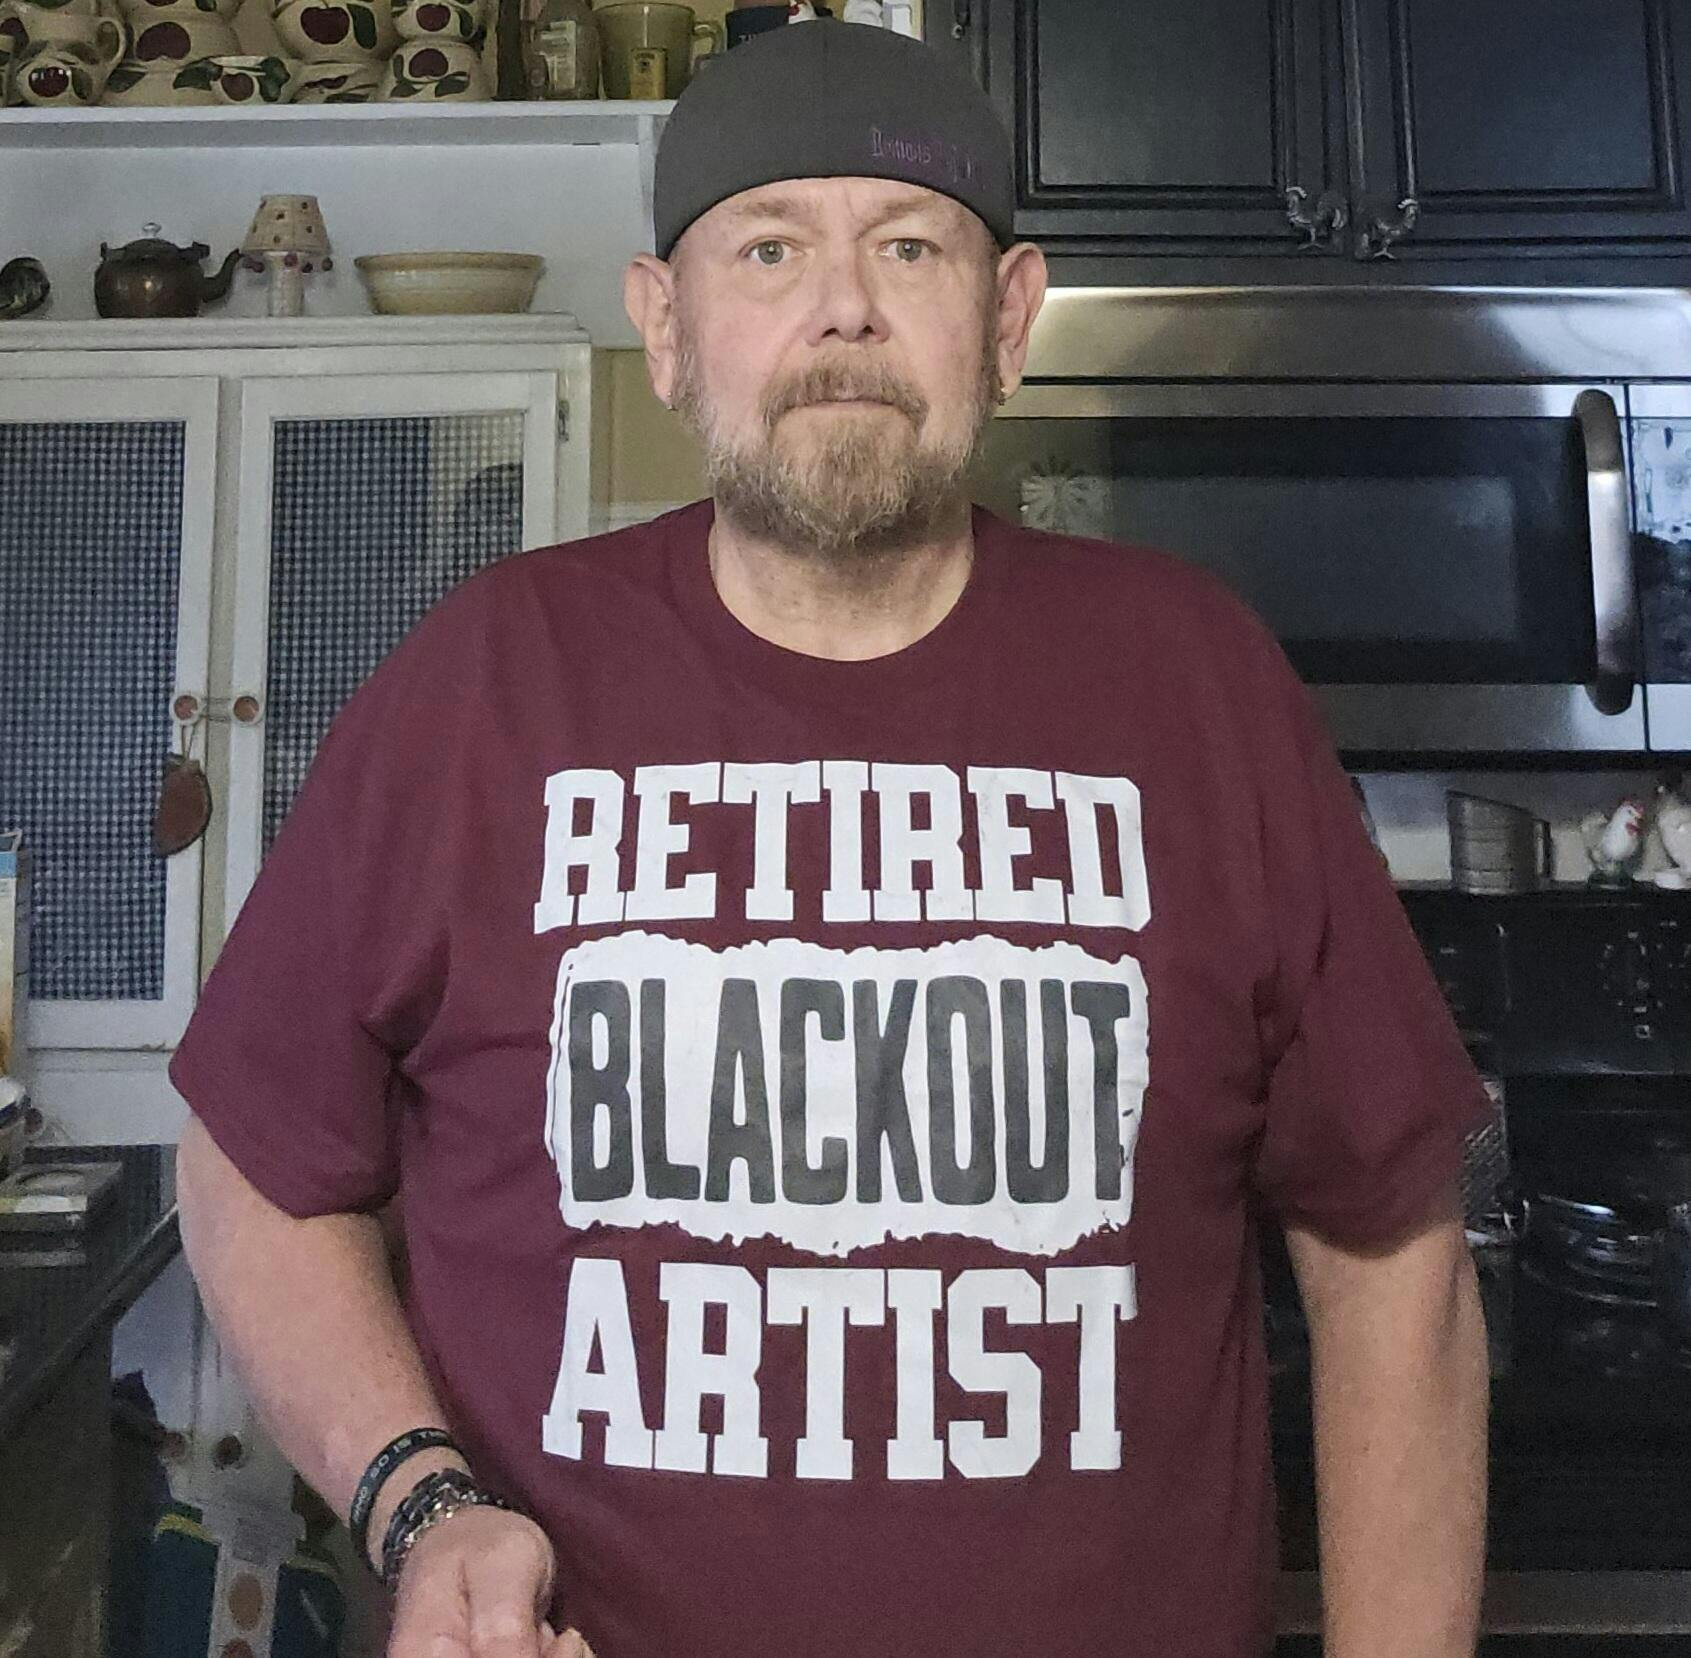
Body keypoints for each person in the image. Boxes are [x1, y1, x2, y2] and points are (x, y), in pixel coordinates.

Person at [171, 21, 1490, 1658]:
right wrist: (418, 1495)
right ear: (667, 328)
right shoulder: (484, 683)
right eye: (771, 247)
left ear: (1009, 320)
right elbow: (252, 1161)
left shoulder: (1200, 682)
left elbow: (1392, 1249)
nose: (846, 307)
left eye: (912, 247)